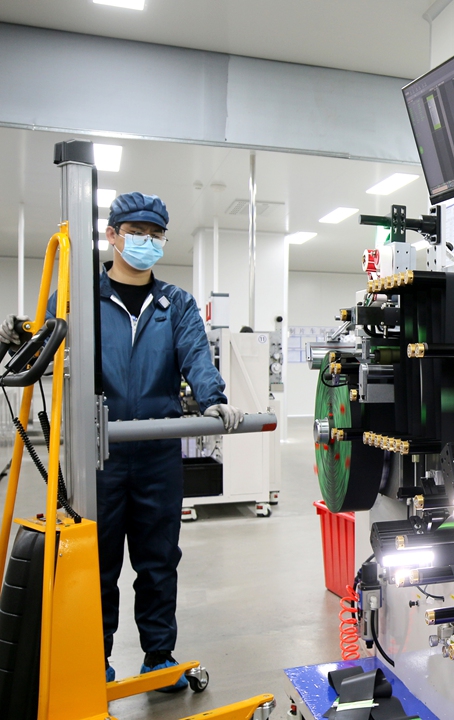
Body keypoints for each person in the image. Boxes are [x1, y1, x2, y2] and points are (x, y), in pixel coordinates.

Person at [1, 192, 244, 689]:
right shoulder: (79, 298)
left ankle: (158, 658)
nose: (147, 244)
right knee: (100, 563)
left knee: (158, 563)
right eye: (137, 233)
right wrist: (20, 342)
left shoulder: (174, 304)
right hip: (97, 455)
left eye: (156, 236)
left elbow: (196, 354)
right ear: (111, 236)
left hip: (157, 453)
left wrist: (213, 397)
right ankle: (96, 657)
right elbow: (41, 341)